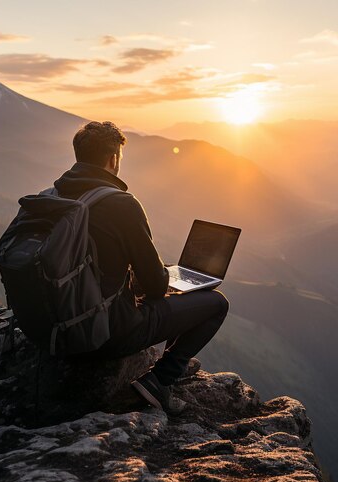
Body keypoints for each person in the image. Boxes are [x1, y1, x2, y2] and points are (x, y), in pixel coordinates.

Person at [53, 121, 229, 414]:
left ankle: (162, 380)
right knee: (216, 303)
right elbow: (156, 286)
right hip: (109, 333)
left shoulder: (56, 197)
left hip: (62, 325)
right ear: (113, 159)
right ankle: (159, 381)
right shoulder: (121, 204)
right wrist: (165, 280)